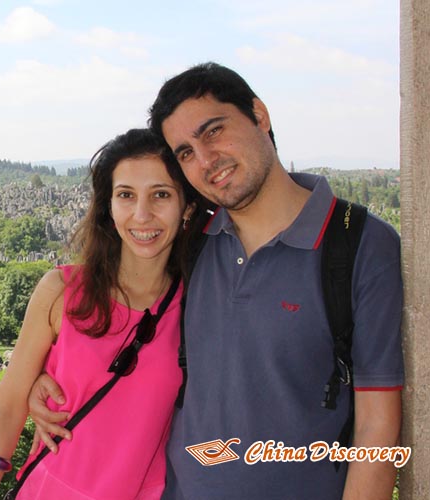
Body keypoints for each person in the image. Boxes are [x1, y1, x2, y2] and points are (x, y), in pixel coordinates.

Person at [28, 63, 404, 499]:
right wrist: (43, 374)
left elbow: (378, 427)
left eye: (213, 131)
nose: (206, 161)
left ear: (259, 116)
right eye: (185, 152)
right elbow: (125, 326)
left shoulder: (357, 243)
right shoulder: (192, 242)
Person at [0, 128, 208, 499]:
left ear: (187, 206)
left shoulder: (201, 306)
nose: (142, 215)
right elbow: (7, 407)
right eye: (126, 195)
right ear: (108, 207)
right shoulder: (61, 292)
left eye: (161, 194)